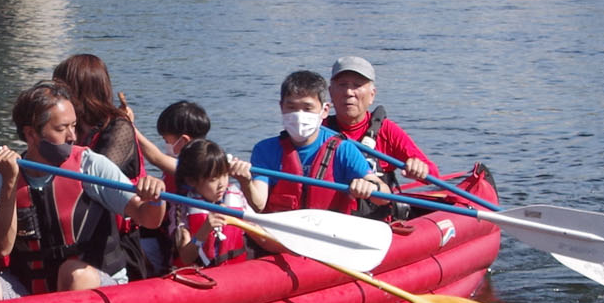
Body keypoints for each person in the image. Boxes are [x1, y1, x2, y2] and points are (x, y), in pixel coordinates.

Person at [0, 80, 165, 298]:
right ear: (31, 134)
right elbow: (0, 248)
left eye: (73, 126)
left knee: (74, 273)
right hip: (31, 289)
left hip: (96, 282)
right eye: (61, 128)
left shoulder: (90, 165)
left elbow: (148, 218)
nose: (72, 136)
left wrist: (155, 199)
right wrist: (10, 185)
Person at [251, 69, 384, 214]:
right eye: (291, 107)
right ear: (281, 107)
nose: (299, 115)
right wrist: (245, 181)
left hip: (331, 231)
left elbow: (384, 197)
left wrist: (371, 186)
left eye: (307, 108)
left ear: (324, 110)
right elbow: (259, 205)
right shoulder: (264, 149)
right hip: (280, 231)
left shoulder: (344, 149)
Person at [133, 98, 268, 212]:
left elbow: (156, 158)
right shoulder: (206, 158)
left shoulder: (193, 166)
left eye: (166, 140)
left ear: (184, 140)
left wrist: (130, 126)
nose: (165, 145)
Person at [325, 55, 436, 182]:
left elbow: (433, 175)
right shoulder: (317, 131)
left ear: (372, 95)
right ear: (331, 93)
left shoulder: (387, 131)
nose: (349, 92)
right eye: (342, 85)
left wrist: (420, 169)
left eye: (357, 85)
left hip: (374, 200)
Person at [51, 52, 142, 180]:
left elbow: (100, 177)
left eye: (60, 89)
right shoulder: (72, 126)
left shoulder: (119, 126)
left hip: (115, 198)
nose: (56, 95)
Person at [169, 139, 256, 269]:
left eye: (224, 175)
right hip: (200, 273)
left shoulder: (236, 196)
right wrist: (204, 230)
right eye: (213, 179)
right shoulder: (182, 207)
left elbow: (263, 238)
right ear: (191, 181)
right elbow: (186, 258)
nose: (222, 184)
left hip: (235, 273)